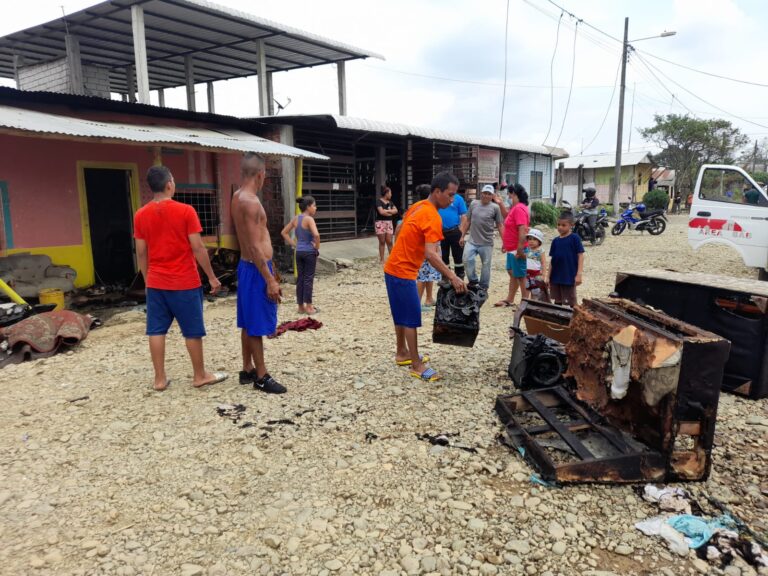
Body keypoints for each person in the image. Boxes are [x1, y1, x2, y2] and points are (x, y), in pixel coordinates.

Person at [133, 165, 227, 392]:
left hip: (156, 282)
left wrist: (147, 281)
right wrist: (212, 277)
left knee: (156, 330)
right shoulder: (186, 211)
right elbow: (198, 248)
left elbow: (141, 252)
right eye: (173, 180)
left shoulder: (140, 214)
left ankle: (159, 379)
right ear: (168, 184)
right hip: (184, 281)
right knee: (192, 330)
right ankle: (200, 375)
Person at [384, 172, 467, 382]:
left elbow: (401, 226)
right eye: (450, 195)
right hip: (402, 270)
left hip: (393, 266)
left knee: (400, 313)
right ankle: (416, 364)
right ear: (437, 191)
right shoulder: (431, 216)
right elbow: (431, 254)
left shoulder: (419, 205)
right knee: (411, 317)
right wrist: (453, 276)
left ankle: (402, 352)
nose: (452, 200)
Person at [231, 153, 286, 394]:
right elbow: (254, 246)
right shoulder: (251, 202)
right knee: (255, 324)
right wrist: (270, 279)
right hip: (255, 268)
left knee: (247, 321)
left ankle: (247, 368)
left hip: (247, 266)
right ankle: (261, 376)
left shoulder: (237, 196)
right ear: (260, 174)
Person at [281, 196, 320, 315]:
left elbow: (284, 232)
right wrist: (317, 247)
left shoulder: (296, 219)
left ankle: (300, 307)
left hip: (299, 252)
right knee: (308, 278)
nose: (315, 208)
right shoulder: (309, 219)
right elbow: (316, 235)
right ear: (308, 207)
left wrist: (294, 244)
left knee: (301, 279)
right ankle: (309, 307)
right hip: (309, 252)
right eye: (314, 205)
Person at [460, 184, 504, 290]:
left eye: (489, 194)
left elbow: (499, 225)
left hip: (486, 242)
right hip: (472, 240)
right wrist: (462, 236)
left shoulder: (495, 208)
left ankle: (483, 286)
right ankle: (473, 280)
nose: (486, 196)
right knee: (466, 259)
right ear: (481, 193)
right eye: (485, 193)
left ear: (492, 196)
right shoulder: (474, 204)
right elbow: (468, 221)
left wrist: (505, 241)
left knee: (486, 265)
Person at [495, 184, 530, 308]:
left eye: (509, 194)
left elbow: (522, 228)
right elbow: (507, 217)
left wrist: (520, 248)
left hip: (517, 247)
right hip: (512, 247)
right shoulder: (515, 208)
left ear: (514, 193)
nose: (508, 196)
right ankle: (510, 299)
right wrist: (500, 204)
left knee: (521, 275)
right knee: (512, 272)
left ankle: (525, 302)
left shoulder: (519, 208)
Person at [545, 212, 585, 307]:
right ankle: (557, 319)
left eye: (563, 225)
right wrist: (548, 276)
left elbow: (581, 256)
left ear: (571, 225)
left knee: (571, 301)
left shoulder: (574, 238)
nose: (560, 227)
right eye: (558, 224)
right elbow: (552, 260)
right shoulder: (555, 241)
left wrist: (579, 274)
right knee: (557, 300)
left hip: (568, 275)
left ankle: (574, 319)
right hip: (555, 276)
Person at [413, 184, 441, 308]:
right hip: (426, 248)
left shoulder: (418, 208)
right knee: (422, 277)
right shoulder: (426, 210)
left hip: (427, 247)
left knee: (428, 274)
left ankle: (429, 298)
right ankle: (417, 304)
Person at [438, 185, 467, 280]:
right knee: (443, 257)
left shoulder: (458, 199)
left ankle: (459, 277)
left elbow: (463, 215)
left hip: (455, 231)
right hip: (440, 232)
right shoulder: (440, 198)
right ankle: (446, 278)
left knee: (458, 257)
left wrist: (461, 232)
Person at [524, 228, 549, 302]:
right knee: (527, 288)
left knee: (535, 290)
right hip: (527, 273)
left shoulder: (540, 251)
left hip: (537, 274)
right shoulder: (527, 250)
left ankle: (534, 303)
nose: (531, 241)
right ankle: (526, 303)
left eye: (534, 239)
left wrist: (544, 274)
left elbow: (543, 263)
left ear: (539, 241)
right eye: (530, 239)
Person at [375, 186, 398, 264]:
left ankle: (392, 259)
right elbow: (381, 212)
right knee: (382, 242)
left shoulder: (390, 202)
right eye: (390, 193)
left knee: (389, 241)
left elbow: (396, 211)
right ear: (386, 193)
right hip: (380, 223)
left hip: (389, 223)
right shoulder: (378, 201)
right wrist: (390, 212)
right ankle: (382, 259)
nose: (391, 194)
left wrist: (387, 211)